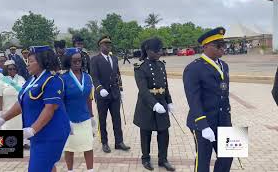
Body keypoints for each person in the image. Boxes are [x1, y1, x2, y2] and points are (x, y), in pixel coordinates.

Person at [0, 45, 71, 172]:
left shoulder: (52, 80)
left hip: (51, 134)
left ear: (42, 62)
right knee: (48, 166)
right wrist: (3, 118)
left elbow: (50, 108)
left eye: (31, 61)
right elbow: (21, 103)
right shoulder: (32, 80)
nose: (27, 65)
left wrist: (32, 130)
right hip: (38, 133)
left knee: (37, 168)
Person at [183, 27, 233, 172]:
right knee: (203, 160)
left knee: (229, 154)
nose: (223, 49)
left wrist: (228, 119)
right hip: (203, 122)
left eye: (224, 45)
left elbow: (224, 94)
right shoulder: (193, 68)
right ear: (206, 47)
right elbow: (193, 99)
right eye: (219, 46)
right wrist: (203, 125)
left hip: (223, 119)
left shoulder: (224, 65)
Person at [133, 38, 176, 171]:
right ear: (148, 51)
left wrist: (169, 101)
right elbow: (143, 90)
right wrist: (154, 104)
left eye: (160, 50)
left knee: (164, 132)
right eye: (156, 51)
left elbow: (165, 85)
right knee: (145, 133)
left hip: (162, 103)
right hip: (147, 105)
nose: (159, 53)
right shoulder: (140, 68)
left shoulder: (161, 65)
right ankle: (145, 158)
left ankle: (163, 159)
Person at [90, 35, 130, 153]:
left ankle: (119, 142)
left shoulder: (114, 58)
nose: (108, 46)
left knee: (117, 118)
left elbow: (118, 74)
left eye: (109, 44)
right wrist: (99, 88)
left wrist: (121, 89)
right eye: (105, 44)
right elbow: (94, 76)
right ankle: (104, 142)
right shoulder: (95, 59)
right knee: (102, 119)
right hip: (102, 95)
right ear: (100, 46)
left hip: (114, 94)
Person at [61, 48, 96, 172]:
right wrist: (65, 120)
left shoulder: (88, 77)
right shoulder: (63, 79)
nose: (77, 63)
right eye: (74, 61)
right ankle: (70, 170)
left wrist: (92, 117)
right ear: (68, 62)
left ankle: (90, 170)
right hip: (69, 119)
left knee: (88, 145)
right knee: (69, 148)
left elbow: (88, 99)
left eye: (79, 60)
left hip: (85, 118)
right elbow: (61, 102)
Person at [0, 60, 29, 148]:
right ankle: (10, 144)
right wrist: (0, 110)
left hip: (20, 107)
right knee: (8, 126)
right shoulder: (2, 81)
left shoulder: (21, 79)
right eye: (10, 69)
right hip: (7, 108)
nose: (12, 70)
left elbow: (25, 92)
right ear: (6, 70)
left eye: (14, 69)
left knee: (21, 124)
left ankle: (23, 142)